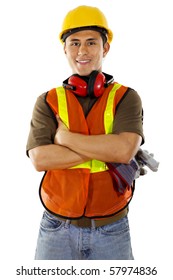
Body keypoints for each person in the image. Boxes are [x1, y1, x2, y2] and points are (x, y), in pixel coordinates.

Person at [26, 5, 144, 260]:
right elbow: (40, 159)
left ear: (105, 47)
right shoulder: (47, 100)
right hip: (56, 227)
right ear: (65, 49)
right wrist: (105, 149)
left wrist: (65, 139)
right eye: (74, 43)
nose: (82, 50)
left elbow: (123, 151)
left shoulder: (126, 97)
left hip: (112, 228)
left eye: (91, 42)